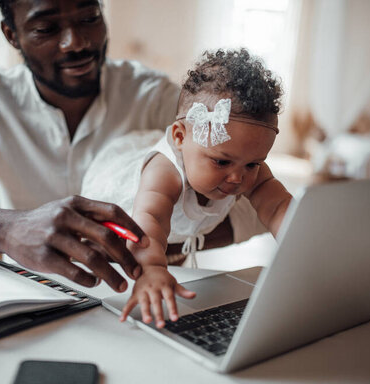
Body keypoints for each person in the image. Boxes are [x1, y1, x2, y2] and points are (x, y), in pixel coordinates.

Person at [0, 0, 255, 293]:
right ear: (11, 34)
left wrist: (164, 241)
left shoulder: (153, 96)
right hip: (25, 296)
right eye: (47, 28)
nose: (78, 43)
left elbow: (252, 201)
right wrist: (9, 228)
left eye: (89, 18)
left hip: (143, 296)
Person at [82, 49, 292, 327]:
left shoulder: (240, 162)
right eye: (221, 161)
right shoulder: (165, 172)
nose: (237, 178)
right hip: (121, 190)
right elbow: (150, 222)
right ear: (180, 137)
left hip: (184, 205)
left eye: (253, 164)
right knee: (155, 241)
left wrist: (305, 248)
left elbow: (278, 207)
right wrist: (153, 269)